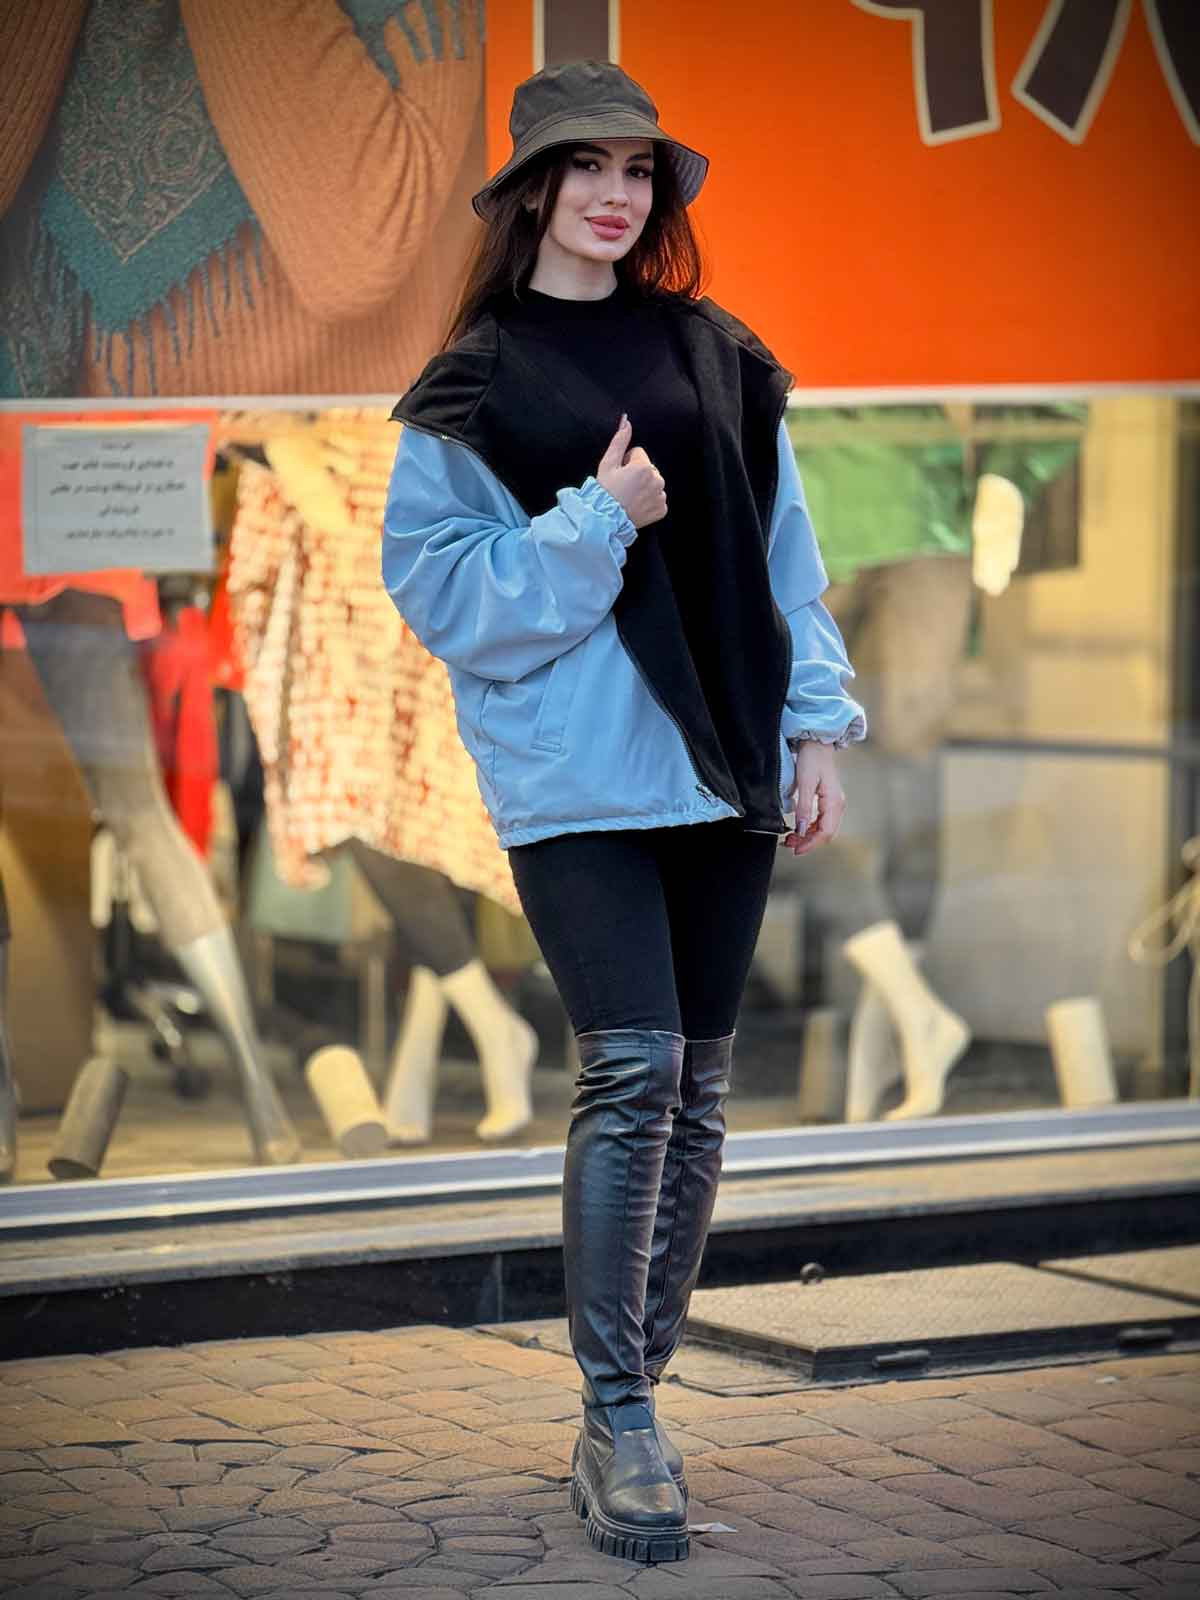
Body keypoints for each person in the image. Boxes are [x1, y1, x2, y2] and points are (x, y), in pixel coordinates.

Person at [382, 59, 866, 1565]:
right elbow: (443, 595)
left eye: (638, 170)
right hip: (577, 778)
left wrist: (819, 722)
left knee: (701, 1087)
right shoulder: (473, 382)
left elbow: (787, 551)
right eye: (586, 166)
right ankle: (622, 1411)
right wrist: (599, 520)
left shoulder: (715, 351)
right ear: (532, 190)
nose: (615, 193)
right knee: (634, 1068)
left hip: (725, 760)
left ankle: (626, 1415)